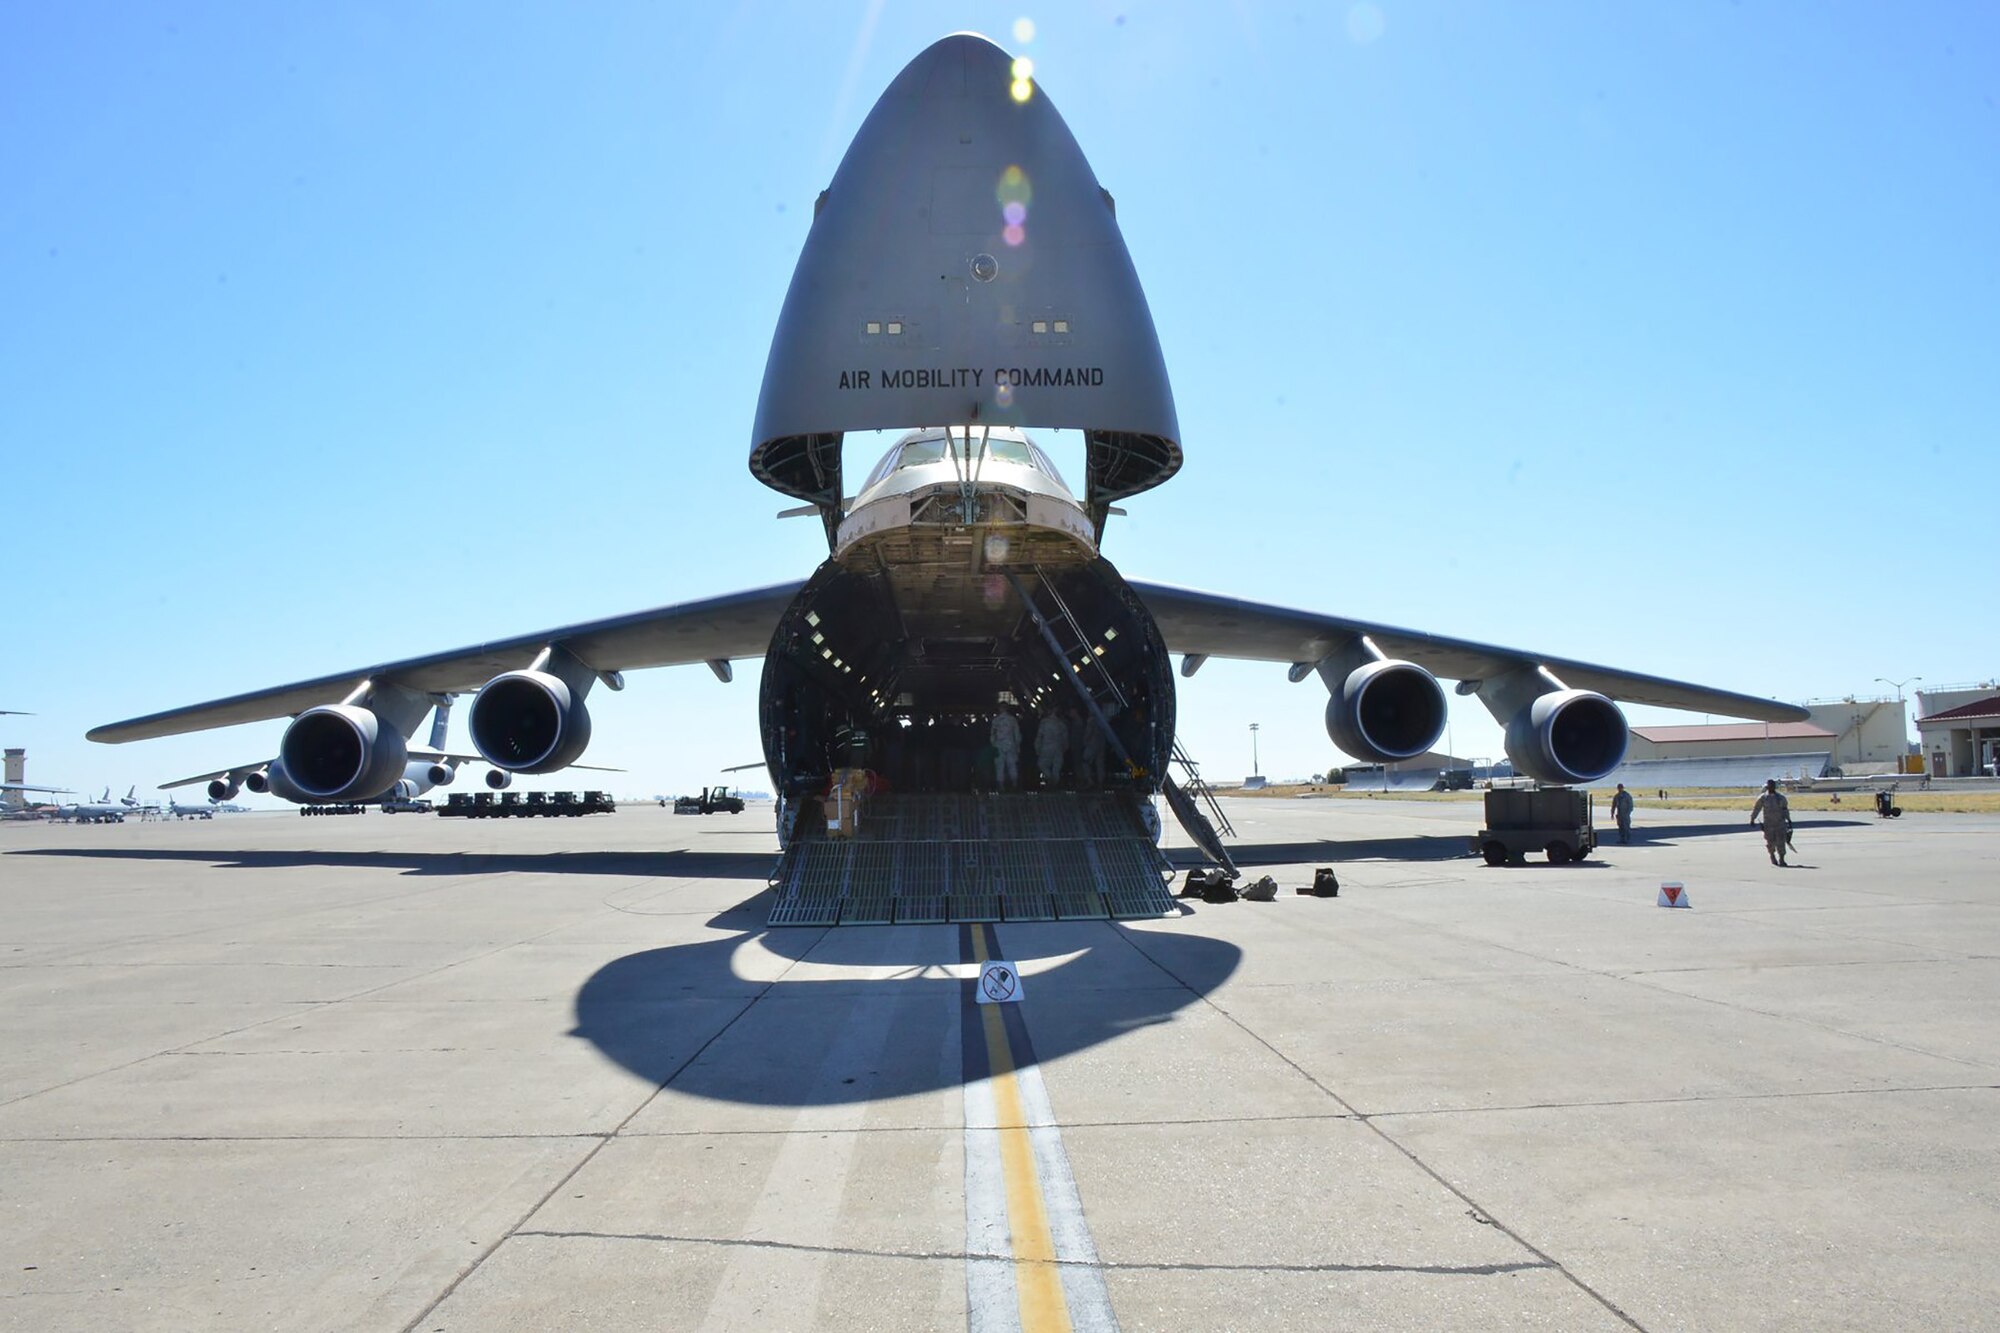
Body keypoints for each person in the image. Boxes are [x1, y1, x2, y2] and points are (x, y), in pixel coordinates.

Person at [1749, 778, 1792, 866]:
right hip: (1768, 824)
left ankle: (1782, 859)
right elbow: (1757, 809)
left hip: (1780, 823)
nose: (1771, 787)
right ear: (1767, 786)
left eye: (1773, 785)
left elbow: (1785, 809)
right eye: (1769, 785)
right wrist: (1752, 819)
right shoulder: (1763, 798)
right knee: (1770, 842)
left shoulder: (1781, 798)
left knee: (1781, 841)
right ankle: (1772, 855)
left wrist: (1789, 820)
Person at [1035, 707, 1069, 789]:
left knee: (1041, 764)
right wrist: (1065, 747)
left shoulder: (1044, 722)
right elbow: (1065, 738)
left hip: (1046, 746)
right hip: (1058, 747)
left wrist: (1037, 747)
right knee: (1057, 766)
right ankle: (1055, 782)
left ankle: (1050, 778)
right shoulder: (1061, 723)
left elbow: (1039, 736)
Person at [990, 709, 1020, 791]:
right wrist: (1017, 746)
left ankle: (1000, 784)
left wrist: (993, 744)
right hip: (1011, 745)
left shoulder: (996, 720)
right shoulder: (1012, 719)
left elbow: (993, 734)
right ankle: (1014, 782)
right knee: (1012, 764)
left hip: (999, 745)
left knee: (1000, 765)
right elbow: (1017, 734)